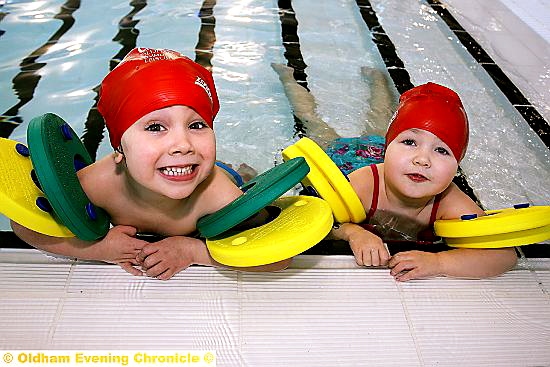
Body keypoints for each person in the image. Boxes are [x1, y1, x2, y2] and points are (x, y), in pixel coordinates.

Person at [11, 47, 289, 280]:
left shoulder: (220, 197)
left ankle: (240, 171)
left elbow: (279, 257)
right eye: (155, 127)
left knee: (239, 176)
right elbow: (25, 225)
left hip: (215, 175)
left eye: (196, 125)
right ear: (119, 148)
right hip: (181, 169)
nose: (183, 144)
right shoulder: (96, 184)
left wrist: (194, 252)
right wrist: (99, 250)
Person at [330, 82, 517, 281]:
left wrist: (438, 263)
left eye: (442, 150)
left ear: (457, 165)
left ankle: (380, 84)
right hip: (351, 156)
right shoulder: (364, 185)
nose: (422, 159)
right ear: (389, 147)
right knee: (321, 126)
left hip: (394, 161)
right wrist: (351, 232)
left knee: (376, 124)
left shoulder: (449, 202)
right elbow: (318, 221)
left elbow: (504, 255)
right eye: (409, 142)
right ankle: (376, 83)